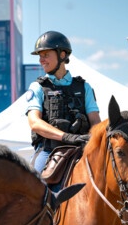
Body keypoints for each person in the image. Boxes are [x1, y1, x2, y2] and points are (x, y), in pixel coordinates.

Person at [25, 31, 101, 173]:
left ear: (62, 55)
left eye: (46, 55)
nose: (41, 60)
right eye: (40, 56)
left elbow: (96, 122)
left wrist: (90, 140)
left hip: (82, 149)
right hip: (49, 151)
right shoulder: (37, 87)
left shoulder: (85, 87)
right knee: (37, 184)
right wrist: (66, 137)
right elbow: (34, 122)